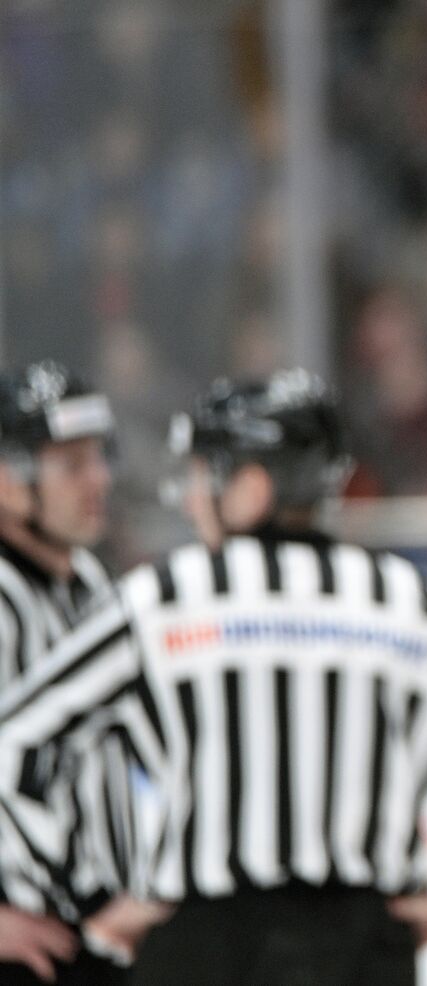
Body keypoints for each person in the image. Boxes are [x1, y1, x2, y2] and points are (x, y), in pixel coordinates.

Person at [0, 369, 427, 986]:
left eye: (205, 476)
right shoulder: (407, 603)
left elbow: (16, 745)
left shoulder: (162, 601)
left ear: (252, 488)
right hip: (364, 951)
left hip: (205, 949)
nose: (193, 496)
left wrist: (92, 900)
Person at [0, 361, 131, 985]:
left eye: (99, 459)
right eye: (71, 466)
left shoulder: (89, 584)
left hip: (87, 941)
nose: (98, 480)